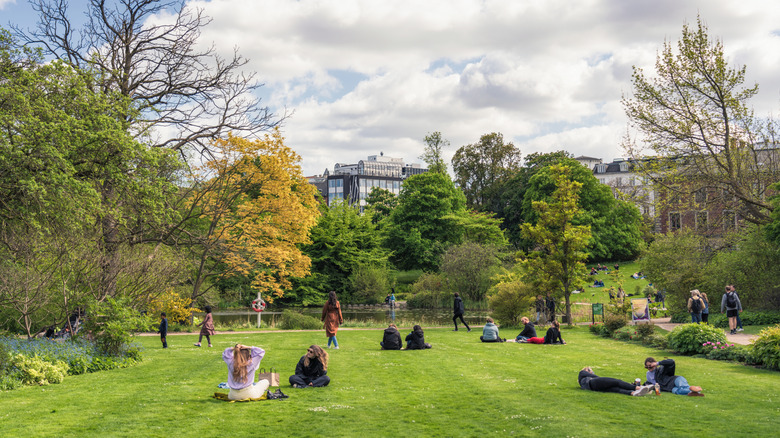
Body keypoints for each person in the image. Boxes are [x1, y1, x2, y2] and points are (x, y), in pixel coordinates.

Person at [579, 367, 653, 396]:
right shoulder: (582, 373)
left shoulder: (583, 382)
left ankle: (632, 393)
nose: (592, 372)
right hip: (594, 383)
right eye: (591, 370)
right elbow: (596, 377)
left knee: (615, 389)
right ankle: (638, 388)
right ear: (586, 370)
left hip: (594, 388)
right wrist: (602, 379)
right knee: (617, 382)